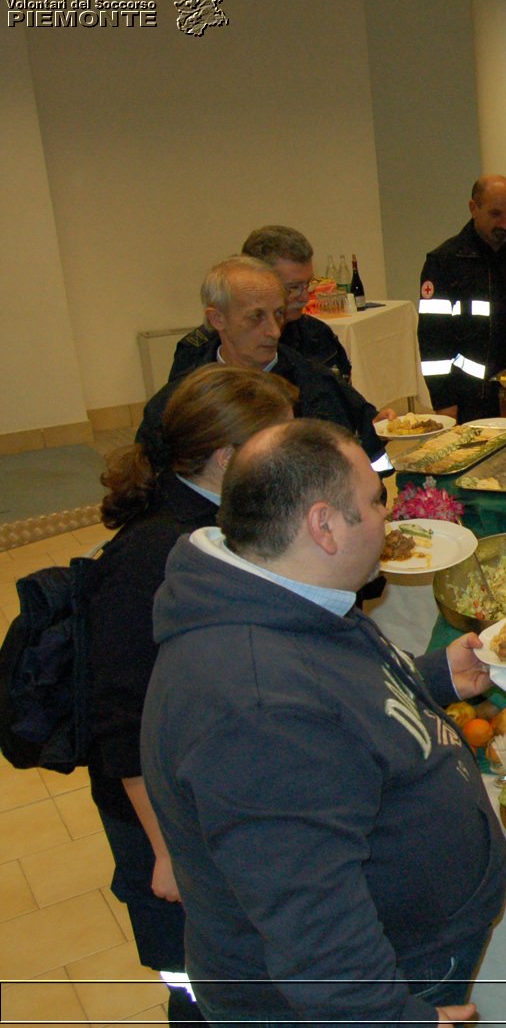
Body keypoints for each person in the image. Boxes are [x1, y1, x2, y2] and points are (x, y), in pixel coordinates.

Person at [139, 419, 506, 1024]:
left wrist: (433, 676)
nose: (387, 521)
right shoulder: (259, 713)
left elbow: (341, 713)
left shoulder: (283, 597)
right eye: (375, 503)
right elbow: (312, 927)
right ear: (325, 526)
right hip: (378, 982)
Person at [87, 364, 296, 1025]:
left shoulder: (216, 517)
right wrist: (166, 849)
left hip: (207, 793)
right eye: (281, 448)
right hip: (162, 818)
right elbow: (120, 729)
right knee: (202, 986)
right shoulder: (152, 556)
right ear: (229, 458)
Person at [138, 256, 385, 467]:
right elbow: (150, 487)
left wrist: (380, 434)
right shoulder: (177, 403)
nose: (274, 332)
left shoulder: (317, 383)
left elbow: (372, 465)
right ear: (217, 319)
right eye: (256, 317)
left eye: (278, 314)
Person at [418, 174, 506, 419]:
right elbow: (433, 339)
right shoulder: (446, 262)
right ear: (473, 208)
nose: (505, 224)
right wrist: (443, 399)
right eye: (496, 214)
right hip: (472, 396)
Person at [170, 225, 352, 383]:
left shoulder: (317, 335)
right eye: (292, 287)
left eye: (308, 284)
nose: (305, 297)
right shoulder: (197, 352)